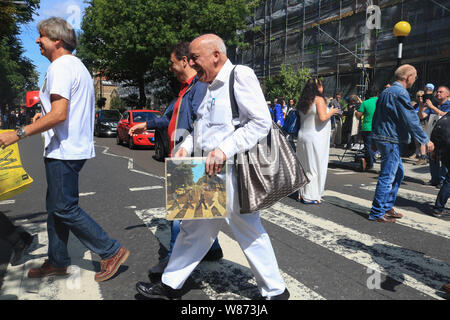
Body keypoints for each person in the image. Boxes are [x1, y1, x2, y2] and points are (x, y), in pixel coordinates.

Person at [135, 34, 289, 300]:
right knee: (193, 230)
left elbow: (261, 122)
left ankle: (275, 292)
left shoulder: (240, 75)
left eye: (196, 58)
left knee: (249, 232)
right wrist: (186, 145)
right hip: (206, 172)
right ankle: (171, 285)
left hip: (233, 169)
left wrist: (223, 150)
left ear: (215, 55)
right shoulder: (207, 86)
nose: (192, 64)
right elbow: (202, 127)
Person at [0, 17, 129, 282]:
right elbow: (60, 112)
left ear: (57, 41)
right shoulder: (75, 66)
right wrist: (41, 118)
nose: (37, 40)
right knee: (55, 208)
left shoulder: (60, 67)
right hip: (69, 148)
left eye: (42, 36)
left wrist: (19, 133)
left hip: (64, 150)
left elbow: (60, 114)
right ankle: (58, 261)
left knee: (64, 208)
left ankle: (110, 250)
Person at [129, 42, 223, 274]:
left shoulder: (199, 88)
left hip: (192, 159)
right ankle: (212, 249)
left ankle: (173, 262)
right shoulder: (184, 91)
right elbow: (167, 118)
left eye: (172, 63)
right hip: (184, 157)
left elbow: (202, 125)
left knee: (179, 215)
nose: (170, 68)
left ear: (184, 61)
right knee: (199, 212)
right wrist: (146, 124)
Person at [368, 64, 434, 223]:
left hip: (385, 137)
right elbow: (411, 119)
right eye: (415, 76)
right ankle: (377, 212)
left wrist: (374, 138)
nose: (416, 79)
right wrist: (425, 139)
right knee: (388, 175)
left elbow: (378, 115)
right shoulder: (400, 93)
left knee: (398, 173)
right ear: (408, 77)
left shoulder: (386, 92)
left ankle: (387, 205)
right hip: (391, 138)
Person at [296, 78, 341, 204]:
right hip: (315, 138)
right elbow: (322, 117)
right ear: (318, 87)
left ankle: (302, 192)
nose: (322, 88)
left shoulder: (304, 101)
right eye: (321, 85)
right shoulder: (319, 99)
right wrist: (332, 111)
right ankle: (310, 195)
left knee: (304, 166)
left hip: (303, 135)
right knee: (315, 166)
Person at [419, 86, 450, 188]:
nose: (438, 94)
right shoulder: (434, 104)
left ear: (447, 94)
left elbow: (446, 115)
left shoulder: (448, 105)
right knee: (432, 158)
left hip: (445, 137)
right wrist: (421, 105)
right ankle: (434, 179)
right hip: (433, 135)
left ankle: (443, 180)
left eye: (441, 92)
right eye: (437, 92)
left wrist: (432, 107)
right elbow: (422, 116)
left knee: (444, 159)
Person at [355, 87, 379, 171]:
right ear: (377, 94)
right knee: (376, 146)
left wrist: (356, 112)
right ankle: (370, 160)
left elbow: (358, 115)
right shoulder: (381, 101)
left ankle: (370, 163)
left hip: (367, 127)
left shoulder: (365, 103)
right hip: (379, 127)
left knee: (368, 147)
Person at [412, 90, 428, 165]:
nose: (420, 98)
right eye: (418, 96)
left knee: (422, 141)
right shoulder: (416, 105)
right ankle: (419, 155)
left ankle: (423, 157)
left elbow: (423, 115)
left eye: (421, 96)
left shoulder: (426, 105)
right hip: (416, 123)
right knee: (417, 141)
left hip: (424, 123)